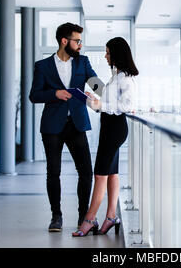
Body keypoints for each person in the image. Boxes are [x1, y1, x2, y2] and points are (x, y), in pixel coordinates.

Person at [29, 22, 97, 232]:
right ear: (64, 41)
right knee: (53, 172)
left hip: (77, 124)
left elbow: (97, 85)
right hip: (52, 126)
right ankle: (56, 216)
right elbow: (34, 95)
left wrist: (101, 95)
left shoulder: (83, 62)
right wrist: (54, 94)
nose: (80, 45)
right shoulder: (43, 66)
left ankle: (83, 217)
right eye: (77, 41)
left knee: (86, 172)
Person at [72, 37, 138, 237]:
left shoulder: (126, 77)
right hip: (109, 127)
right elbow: (111, 103)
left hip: (116, 129)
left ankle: (89, 220)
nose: (105, 56)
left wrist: (102, 106)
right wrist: (95, 101)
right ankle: (111, 217)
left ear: (117, 54)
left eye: (108, 52)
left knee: (100, 174)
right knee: (111, 173)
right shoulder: (115, 75)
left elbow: (127, 106)